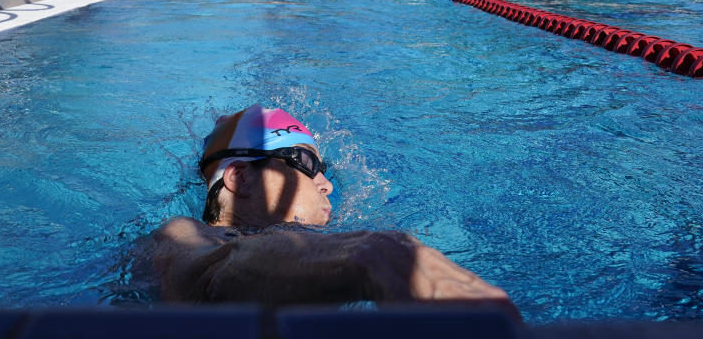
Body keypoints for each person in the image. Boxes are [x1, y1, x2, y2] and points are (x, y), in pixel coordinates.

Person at [132, 104, 518, 315]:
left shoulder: (320, 259)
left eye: (324, 169)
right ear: (240, 178)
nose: (327, 183)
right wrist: (377, 256)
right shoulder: (175, 236)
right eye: (304, 162)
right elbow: (210, 277)